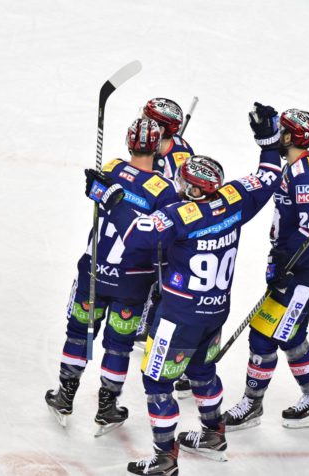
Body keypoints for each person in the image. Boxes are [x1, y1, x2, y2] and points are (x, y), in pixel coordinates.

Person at [85, 136, 284, 474]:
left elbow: (137, 234)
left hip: (178, 315)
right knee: (202, 370)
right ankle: (212, 435)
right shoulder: (233, 199)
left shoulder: (181, 214)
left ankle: (164, 458)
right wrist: (269, 143)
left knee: (156, 382)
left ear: (191, 189)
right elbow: (267, 177)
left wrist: (110, 198)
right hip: (215, 311)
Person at [45, 118, 179, 436]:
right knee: (118, 345)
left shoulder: (112, 168)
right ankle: (107, 406)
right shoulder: (165, 190)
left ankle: (65, 395)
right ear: (157, 147)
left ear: (129, 142)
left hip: (94, 269)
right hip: (132, 281)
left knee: (78, 333)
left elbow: (96, 193)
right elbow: (165, 240)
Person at [222, 105, 309, 431]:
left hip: (305, 272)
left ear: (291, 136)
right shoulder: (301, 164)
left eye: (282, 131)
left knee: (264, 335)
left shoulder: (307, 174)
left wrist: (289, 266)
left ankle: (252, 405)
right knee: (291, 335)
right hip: (297, 268)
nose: (279, 135)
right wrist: (265, 138)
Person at [138, 97, 196, 399]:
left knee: (173, 295)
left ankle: (184, 367)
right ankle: (145, 323)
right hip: (156, 228)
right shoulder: (156, 147)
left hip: (176, 234)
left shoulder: (182, 159)